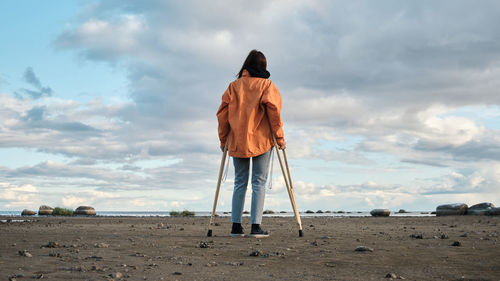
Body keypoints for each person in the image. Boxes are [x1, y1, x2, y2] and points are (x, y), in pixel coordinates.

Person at [216, 50, 285, 238]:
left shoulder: (233, 86)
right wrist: (279, 138)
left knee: (240, 182)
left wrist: (223, 140)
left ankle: (236, 227)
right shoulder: (267, 85)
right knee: (259, 183)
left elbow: (222, 115)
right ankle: (256, 226)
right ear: (263, 66)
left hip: (237, 140)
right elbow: (274, 113)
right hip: (262, 140)